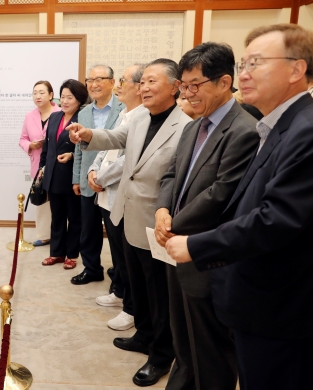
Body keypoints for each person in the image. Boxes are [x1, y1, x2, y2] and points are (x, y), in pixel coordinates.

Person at [165, 24, 313, 390]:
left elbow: (276, 218)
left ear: (296, 70)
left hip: (279, 305)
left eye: (255, 63)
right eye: (243, 63)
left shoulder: (305, 129)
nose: (242, 74)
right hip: (254, 295)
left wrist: (195, 244)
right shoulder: (277, 125)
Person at [68, 58, 191, 386]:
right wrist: (87, 133)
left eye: (153, 81)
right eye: (143, 82)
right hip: (127, 214)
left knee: (159, 294)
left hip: (159, 222)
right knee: (136, 285)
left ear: (175, 86)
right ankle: (143, 336)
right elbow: (115, 138)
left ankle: (162, 355)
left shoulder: (187, 124)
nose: (144, 87)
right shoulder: (138, 118)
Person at [154, 42, 260, 390]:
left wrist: (173, 227)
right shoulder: (191, 127)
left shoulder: (244, 130)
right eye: (184, 86)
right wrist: (162, 210)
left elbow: (220, 193)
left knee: (211, 349)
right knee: (183, 339)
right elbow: (171, 176)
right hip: (175, 247)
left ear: (223, 81)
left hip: (205, 254)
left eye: (194, 85)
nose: (187, 93)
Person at [92, 63, 147, 331]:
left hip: (120, 194)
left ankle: (131, 308)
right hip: (105, 196)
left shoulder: (144, 117)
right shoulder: (123, 113)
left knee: (128, 258)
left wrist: (101, 178)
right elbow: (107, 145)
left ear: (138, 86)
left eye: (122, 81)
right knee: (115, 251)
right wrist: (93, 170)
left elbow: (128, 160)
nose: (118, 86)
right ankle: (119, 292)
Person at [71, 65, 124, 278]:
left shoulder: (124, 109)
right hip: (88, 178)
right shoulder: (83, 113)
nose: (94, 84)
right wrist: (77, 178)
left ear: (112, 82)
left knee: (115, 232)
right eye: (90, 80)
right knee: (89, 230)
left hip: (114, 181)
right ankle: (91, 269)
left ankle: (119, 273)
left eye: (100, 79)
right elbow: (78, 148)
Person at [39, 79, 89, 267]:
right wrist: (42, 168)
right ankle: (57, 252)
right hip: (52, 175)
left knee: (74, 217)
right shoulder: (54, 117)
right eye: (64, 97)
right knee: (57, 216)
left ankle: (71, 255)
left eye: (70, 97)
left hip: (72, 177)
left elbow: (89, 148)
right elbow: (47, 146)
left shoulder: (83, 119)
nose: (65, 101)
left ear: (79, 100)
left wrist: (72, 155)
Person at [19, 81, 60, 246]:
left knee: (58, 201)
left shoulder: (61, 113)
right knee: (42, 200)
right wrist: (31, 145)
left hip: (58, 165)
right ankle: (44, 235)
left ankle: (61, 235)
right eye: (35, 92)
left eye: (42, 92)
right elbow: (22, 139)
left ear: (51, 95)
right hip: (38, 165)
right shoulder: (30, 116)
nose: (37, 96)